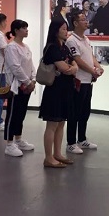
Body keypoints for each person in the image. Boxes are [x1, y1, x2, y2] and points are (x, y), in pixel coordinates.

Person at [38, 20, 78, 168]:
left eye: (66, 29)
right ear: (56, 30)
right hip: (54, 90)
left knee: (61, 123)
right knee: (52, 124)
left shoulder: (64, 47)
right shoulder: (52, 48)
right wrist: (71, 68)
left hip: (65, 89)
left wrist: (72, 68)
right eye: (63, 29)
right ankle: (48, 157)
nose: (66, 31)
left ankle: (57, 153)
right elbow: (63, 68)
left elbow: (73, 64)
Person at [66, 12, 103, 154]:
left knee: (85, 111)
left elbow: (90, 56)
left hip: (88, 81)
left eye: (86, 19)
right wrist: (92, 71)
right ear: (75, 23)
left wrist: (98, 67)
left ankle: (81, 139)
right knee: (74, 112)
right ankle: (71, 142)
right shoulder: (71, 40)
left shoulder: (86, 39)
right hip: (78, 81)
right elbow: (78, 60)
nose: (86, 22)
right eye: (83, 20)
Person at [2, 19, 36, 157]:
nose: (27, 30)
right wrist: (27, 81)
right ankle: (9, 144)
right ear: (16, 30)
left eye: (27, 27)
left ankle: (18, 139)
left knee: (21, 114)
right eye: (24, 28)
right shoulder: (11, 47)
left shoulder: (26, 47)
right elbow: (15, 67)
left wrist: (33, 79)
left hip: (27, 86)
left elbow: (31, 65)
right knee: (13, 114)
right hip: (16, 87)